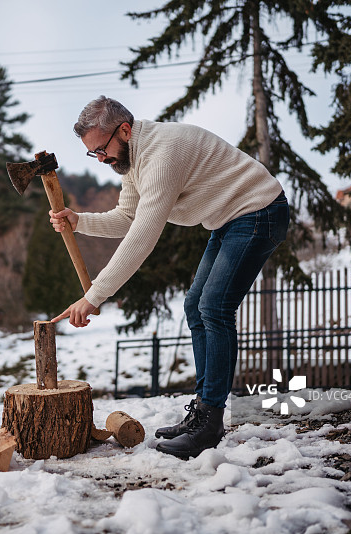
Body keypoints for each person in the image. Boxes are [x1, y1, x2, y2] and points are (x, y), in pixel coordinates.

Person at [50, 96, 289, 460]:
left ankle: (210, 420)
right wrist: (79, 221)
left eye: (101, 149)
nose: (100, 159)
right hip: (229, 220)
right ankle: (202, 410)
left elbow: (143, 236)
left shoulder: (162, 154)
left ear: (125, 131)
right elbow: (127, 217)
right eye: (92, 154)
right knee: (196, 305)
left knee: (214, 307)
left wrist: (94, 295)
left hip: (259, 212)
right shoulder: (134, 162)